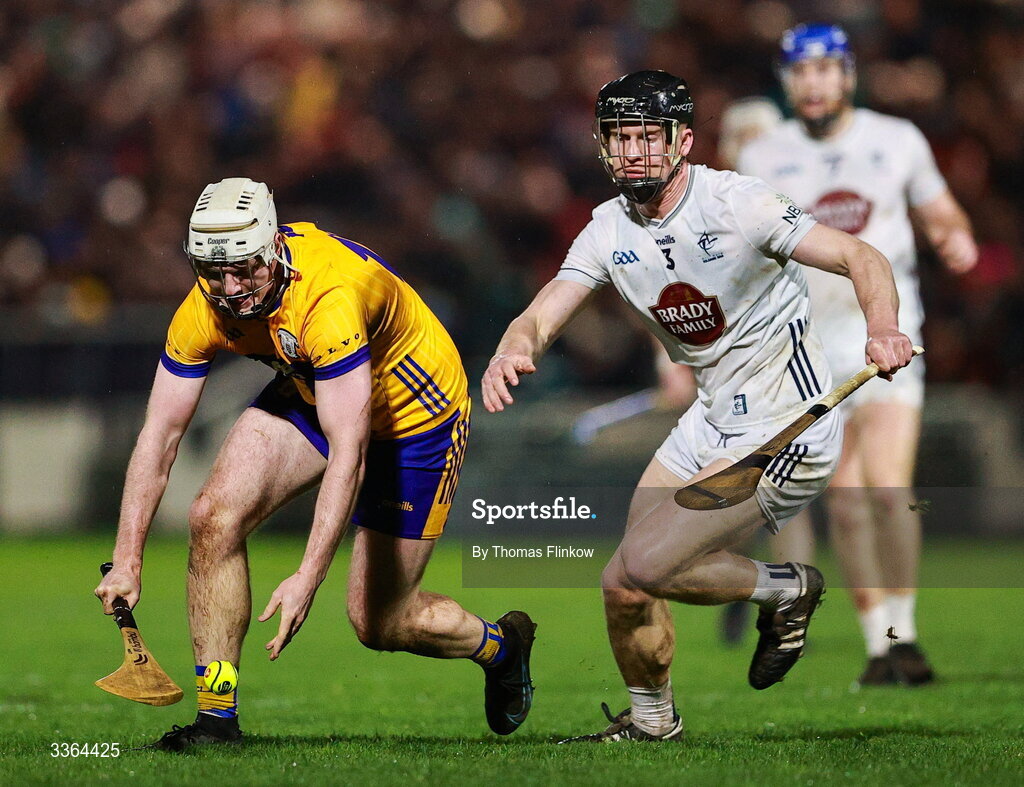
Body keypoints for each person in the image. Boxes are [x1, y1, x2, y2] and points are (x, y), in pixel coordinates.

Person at [482, 70, 913, 742]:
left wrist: (881, 327)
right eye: (617, 138)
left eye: (645, 138)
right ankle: (655, 721)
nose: (630, 153)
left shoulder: (738, 203)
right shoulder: (607, 229)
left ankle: (785, 586)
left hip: (788, 422)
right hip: (711, 419)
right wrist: (514, 346)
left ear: (682, 140)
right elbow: (545, 311)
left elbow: (861, 255)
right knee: (625, 583)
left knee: (647, 564)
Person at [94, 178, 536, 750]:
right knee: (212, 517)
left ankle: (500, 647)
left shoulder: (329, 296)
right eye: (214, 272)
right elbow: (159, 436)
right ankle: (217, 717)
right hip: (317, 391)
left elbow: (349, 452)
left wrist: (308, 574)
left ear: (273, 247)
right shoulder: (205, 305)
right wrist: (127, 559)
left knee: (379, 622)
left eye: (245, 270)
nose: (231, 290)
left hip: (415, 417)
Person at [738, 23, 977, 685]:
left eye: (825, 70)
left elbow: (941, 213)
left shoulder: (896, 140)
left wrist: (955, 238)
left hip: (892, 338)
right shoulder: (764, 155)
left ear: (847, 76)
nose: (813, 84)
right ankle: (880, 645)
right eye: (799, 72)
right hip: (811, 354)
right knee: (845, 502)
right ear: (787, 82)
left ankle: (905, 632)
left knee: (888, 489)